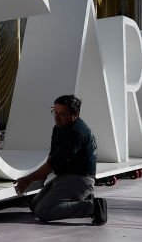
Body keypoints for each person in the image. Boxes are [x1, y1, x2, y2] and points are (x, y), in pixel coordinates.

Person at [13, 94, 107, 225]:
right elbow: (52, 156)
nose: (56, 117)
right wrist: (40, 179)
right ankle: (83, 199)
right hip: (65, 177)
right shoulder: (60, 127)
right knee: (35, 206)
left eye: (62, 114)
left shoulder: (76, 133)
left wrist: (27, 180)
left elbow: (52, 164)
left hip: (80, 179)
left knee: (43, 212)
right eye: (55, 112)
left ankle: (93, 207)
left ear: (76, 114)